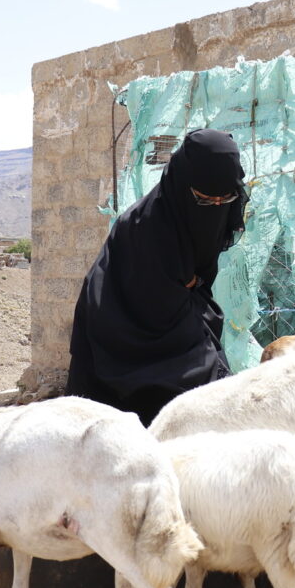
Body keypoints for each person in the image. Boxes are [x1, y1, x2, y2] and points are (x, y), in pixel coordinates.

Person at [67, 128, 247, 425]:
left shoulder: (217, 206)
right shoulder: (145, 227)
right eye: (204, 199)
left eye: (224, 199)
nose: (216, 208)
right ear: (181, 183)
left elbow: (196, 276)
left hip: (181, 305)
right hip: (125, 320)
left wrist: (192, 283)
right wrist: (184, 285)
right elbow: (153, 298)